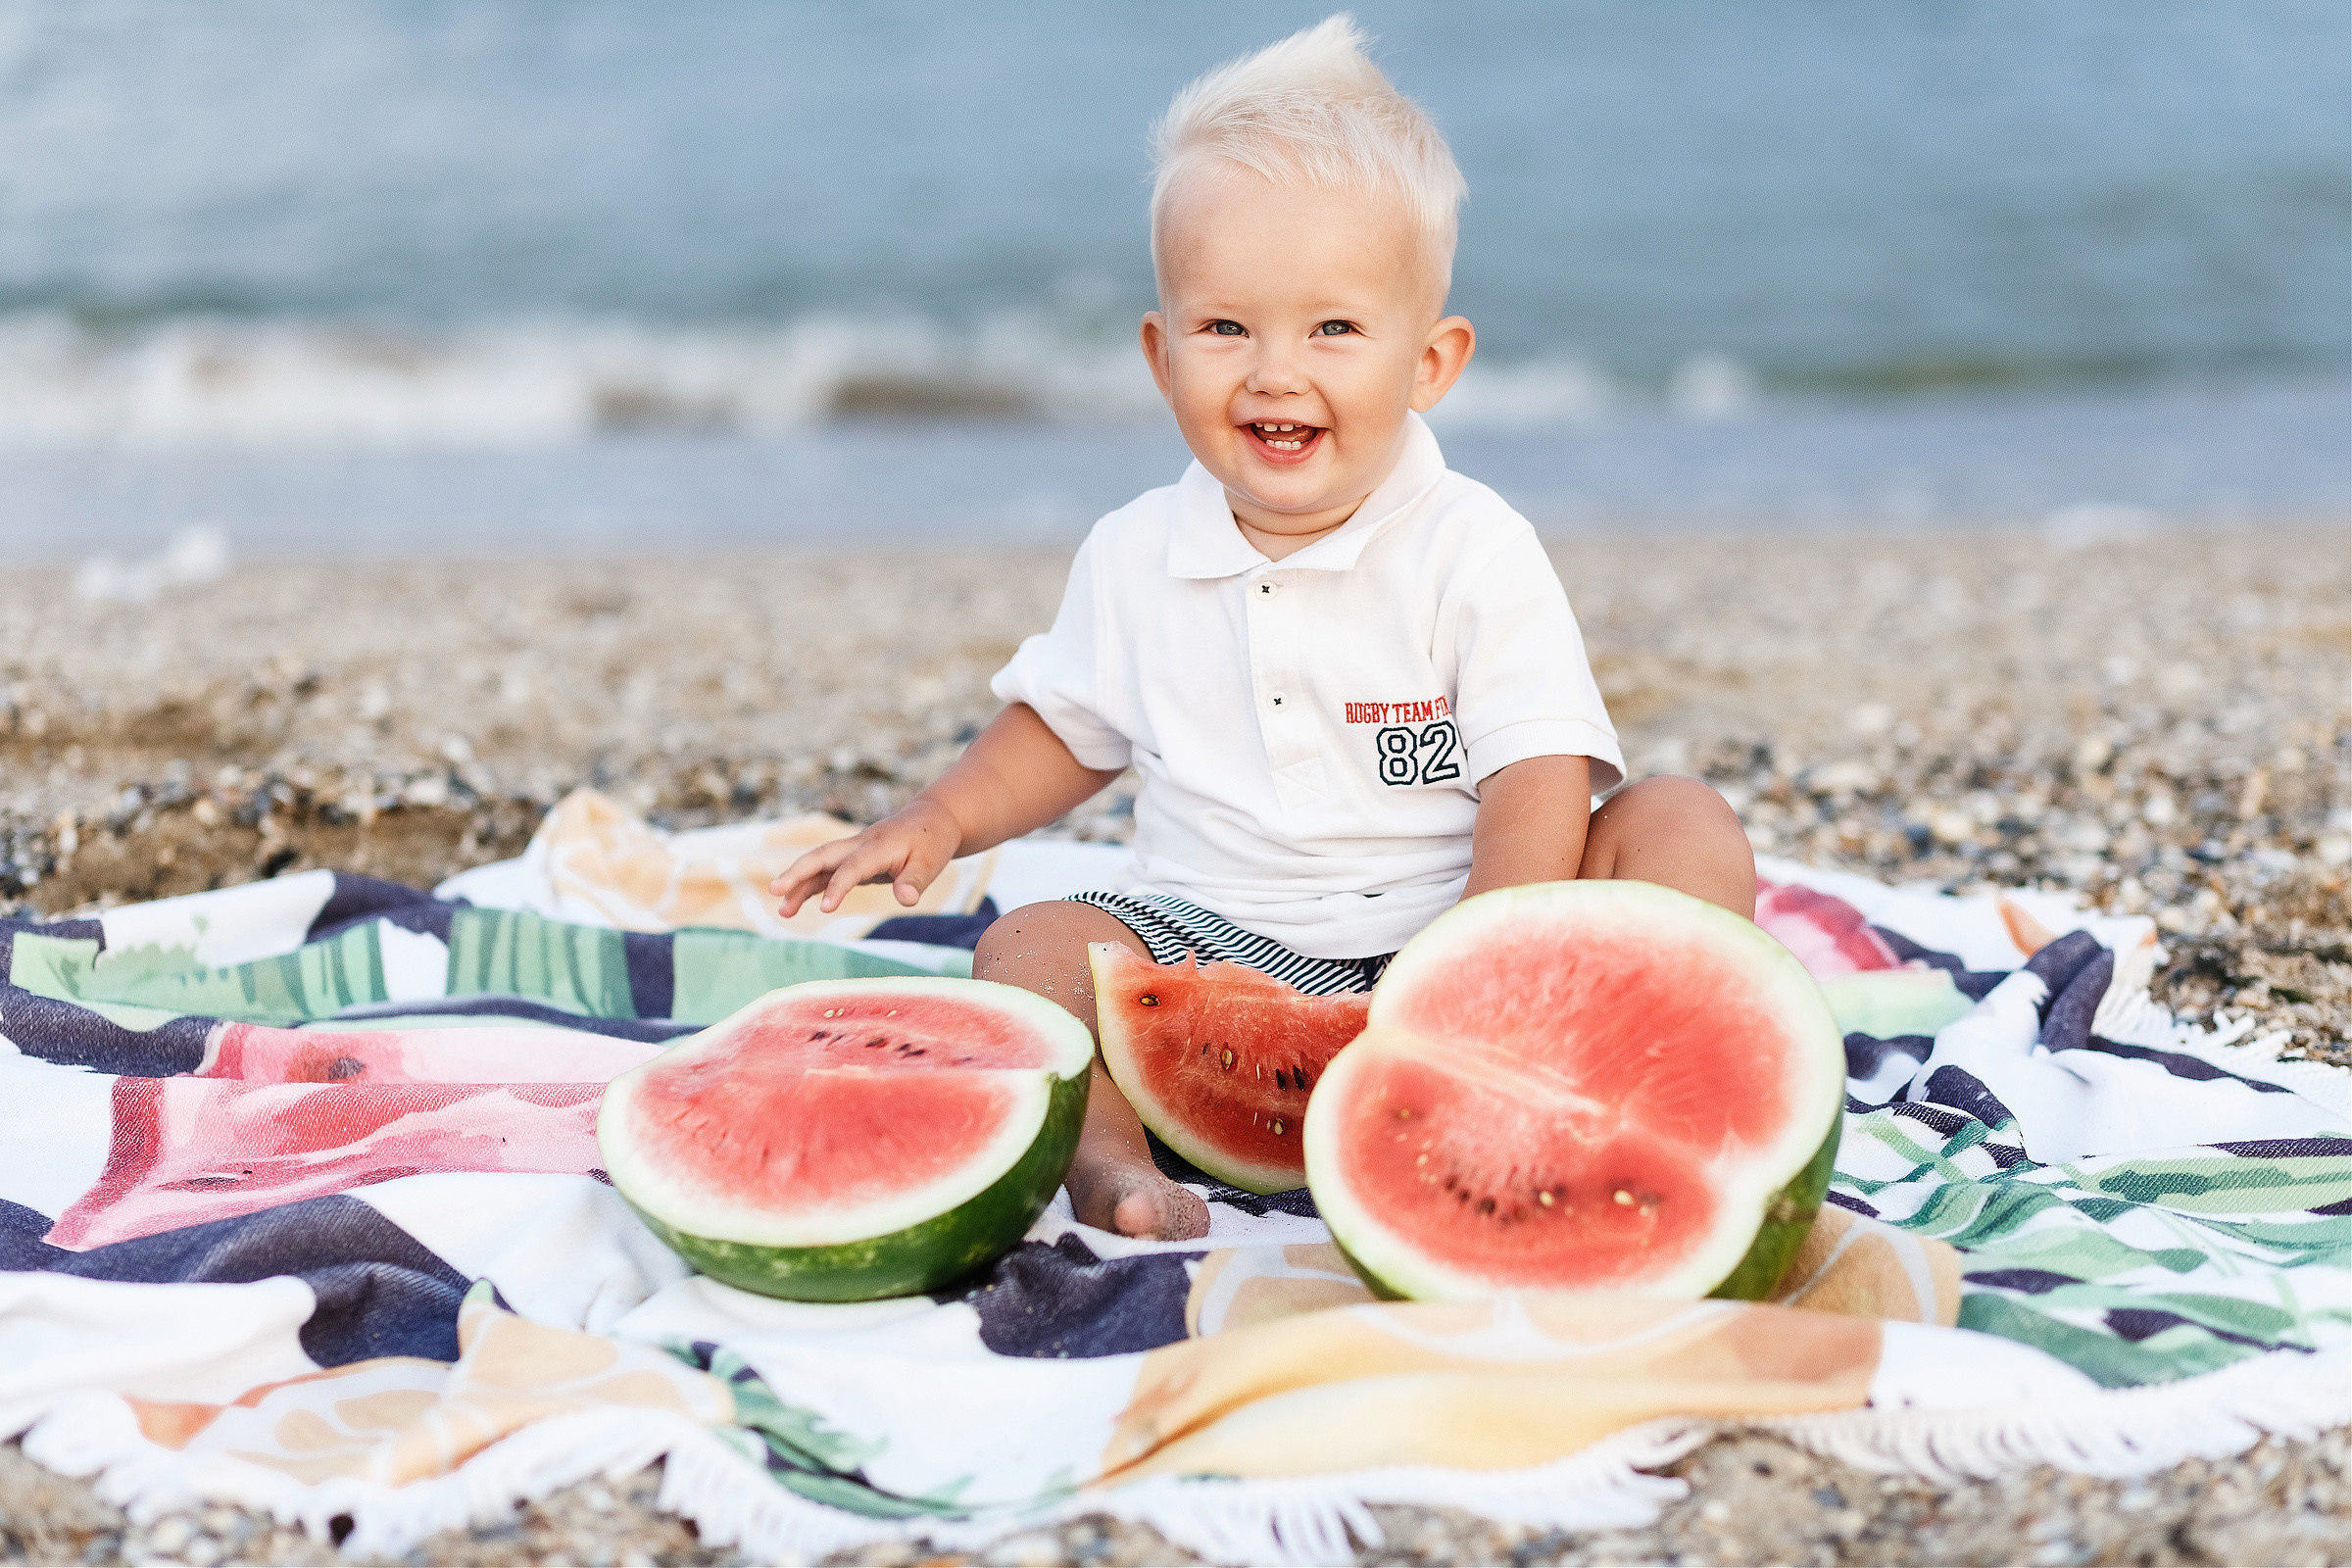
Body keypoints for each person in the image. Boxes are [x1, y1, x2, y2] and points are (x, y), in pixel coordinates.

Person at [772, 15, 1754, 1242]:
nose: (1275, 373)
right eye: (1226, 327)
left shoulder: (1471, 544)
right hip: (1210, 952)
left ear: (1431, 361)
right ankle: (1114, 1164)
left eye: (1333, 329)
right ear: (1159, 351)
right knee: (1026, 939)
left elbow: (1535, 774)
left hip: (1452, 927)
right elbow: (1064, 731)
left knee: (1680, 823)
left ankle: (1648, 1093)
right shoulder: (1136, 552)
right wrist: (941, 818)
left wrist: (1476, 975)